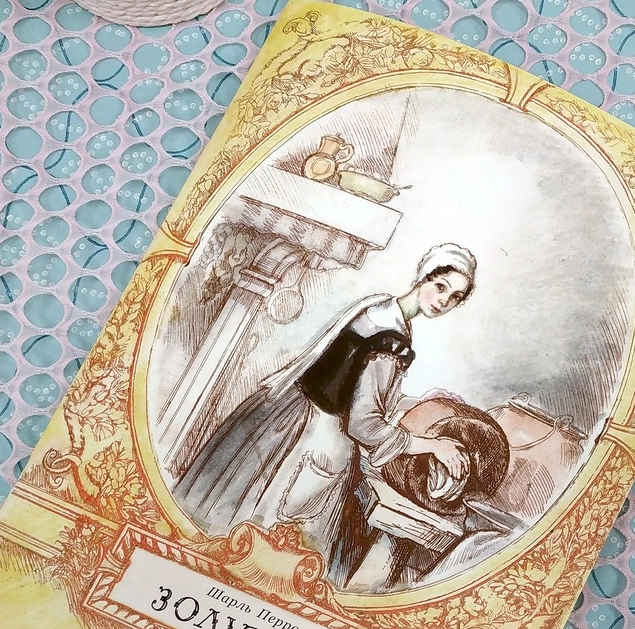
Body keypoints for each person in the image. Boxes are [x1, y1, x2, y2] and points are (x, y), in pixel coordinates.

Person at [174, 243, 478, 584]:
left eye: (455, 297)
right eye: (441, 286)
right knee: (268, 559)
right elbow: (364, 424)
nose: (443, 301)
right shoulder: (392, 341)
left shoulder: (376, 307)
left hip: (285, 412)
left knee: (224, 526)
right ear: (423, 277)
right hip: (314, 440)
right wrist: (434, 445)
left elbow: (351, 381)